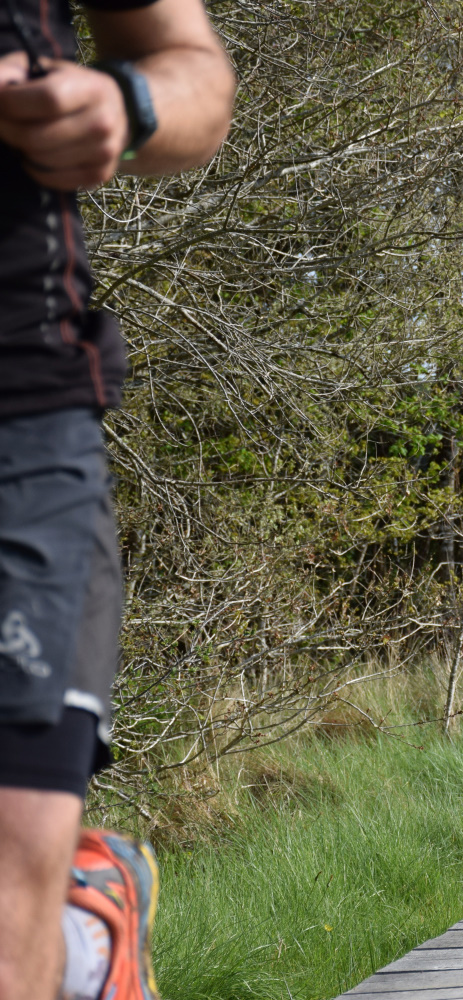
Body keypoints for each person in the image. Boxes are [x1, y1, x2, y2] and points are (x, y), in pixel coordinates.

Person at [0, 1, 234, 997]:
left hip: (17, 413)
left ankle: (68, 931)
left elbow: (194, 73)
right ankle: (83, 942)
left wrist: (125, 103)